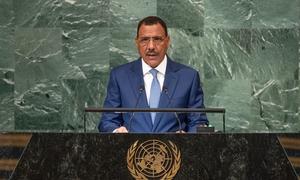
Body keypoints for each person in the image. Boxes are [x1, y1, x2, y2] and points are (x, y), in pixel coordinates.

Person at [99, 16, 208, 133]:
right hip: (132, 150)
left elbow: (198, 122)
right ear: (137, 42)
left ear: (167, 41)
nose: (151, 46)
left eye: (157, 39)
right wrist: (116, 132)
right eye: (145, 40)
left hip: (175, 150)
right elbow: (107, 121)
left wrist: (188, 139)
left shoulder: (188, 77)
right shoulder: (120, 76)